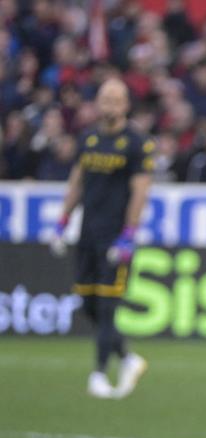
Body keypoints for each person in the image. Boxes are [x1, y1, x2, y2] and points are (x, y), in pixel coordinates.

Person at [49, 78, 153, 399]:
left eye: (116, 100)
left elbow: (140, 191)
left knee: (108, 308)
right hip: (87, 234)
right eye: (105, 99)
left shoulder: (136, 143)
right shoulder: (88, 138)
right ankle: (128, 358)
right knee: (88, 304)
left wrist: (129, 235)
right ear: (97, 102)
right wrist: (62, 221)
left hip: (115, 237)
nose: (110, 106)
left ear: (126, 105)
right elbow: (77, 182)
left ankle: (99, 374)